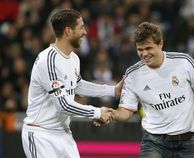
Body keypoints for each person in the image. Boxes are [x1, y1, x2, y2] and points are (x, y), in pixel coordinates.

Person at [97, 21, 194, 158]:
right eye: (140, 49)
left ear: (160, 44)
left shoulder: (184, 62)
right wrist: (112, 114)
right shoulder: (132, 75)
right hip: (154, 142)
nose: (144, 54)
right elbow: (127, 110)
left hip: (185, 142)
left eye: (148, 48)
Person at [21, 8, 123, 158]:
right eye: (81, 27)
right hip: (41, 135)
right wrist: (97, 112)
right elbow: (63, 105)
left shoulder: (74, 58)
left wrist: (113, 90)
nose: (85, 32)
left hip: (63, 133)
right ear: (68, 31)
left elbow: (78, 86)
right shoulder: (48, 61)